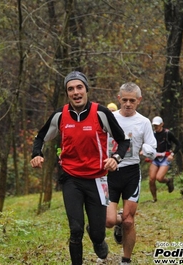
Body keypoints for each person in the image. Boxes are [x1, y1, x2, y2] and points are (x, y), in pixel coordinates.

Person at [30, 71, 130, 265]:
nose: (76, 92)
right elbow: (40, 137)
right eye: (71, 89)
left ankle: (97, 239)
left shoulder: (101, 113)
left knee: (98, 232)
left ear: (86, 90)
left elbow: (123, 141)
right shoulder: (60, 115)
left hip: (97, 179)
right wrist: (36, 154)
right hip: (71, 178)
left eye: (79, 88)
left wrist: (116, 158)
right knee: (75, 229)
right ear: (67, 93)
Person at [105, 82, 157, 265]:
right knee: (109, 220)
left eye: (132, 100)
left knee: (128, 221)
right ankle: (116, 222)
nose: (128, 104)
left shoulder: (143, 122)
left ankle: (126, 260)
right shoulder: (109, 118)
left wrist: (148, 149)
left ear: (139, 101)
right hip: (110, 172)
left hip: (131, 173)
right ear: (119, 99)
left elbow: (152, 144)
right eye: (124, 100)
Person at [148, 116, 181, 202]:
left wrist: (172, 154)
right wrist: (144, 151)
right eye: (154, 125)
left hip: (165, 158)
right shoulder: (152, 134)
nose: (155, 127)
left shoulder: (168, 133)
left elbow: (178, 144)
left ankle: (168, 181)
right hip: (155, 158)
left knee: (159, 178)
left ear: (162, 124)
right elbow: (148, 144)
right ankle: (154, 199)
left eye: (157, 125)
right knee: (151, 179)